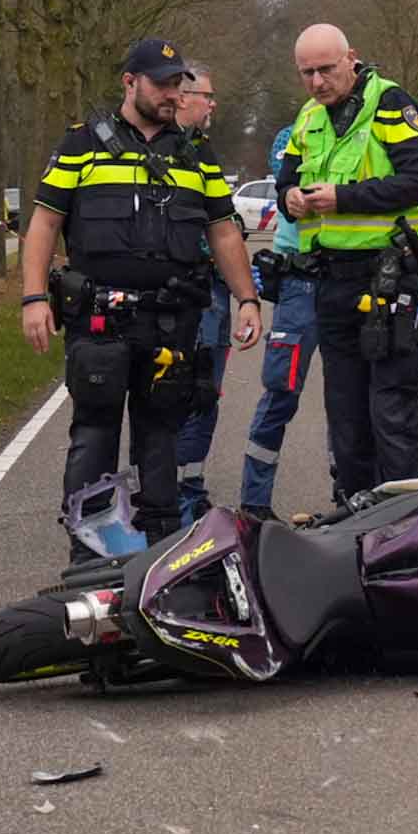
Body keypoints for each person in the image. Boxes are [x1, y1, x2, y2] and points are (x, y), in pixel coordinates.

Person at [21, 37, 263, 561]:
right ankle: (90, 554)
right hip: (99, 322)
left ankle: (159, 552)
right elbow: (44, 222)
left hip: (171, 323)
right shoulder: (81, 144)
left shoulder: (196, 154)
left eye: (179, 84)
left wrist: (247, 298)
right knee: (94, 436)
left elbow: (224, 232)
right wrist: (34, 297)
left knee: (160, 439)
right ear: (130, 82)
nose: (174, 94)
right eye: (162, 84)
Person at [274, 24, 418, 498]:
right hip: (333, 281)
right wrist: (290, 198)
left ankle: (402, 520)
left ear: (352, 58)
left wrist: (343, 198)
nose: (317, 82)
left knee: (391, 410)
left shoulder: (390, 103)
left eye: (326, 69)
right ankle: (354, 514)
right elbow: (285, 181)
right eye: (307, 73)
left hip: (390, 277)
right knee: (344, 413)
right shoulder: (308, 117)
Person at [239, 121, 328, 521]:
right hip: (299, 281)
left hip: (350, 280)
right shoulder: (293, 134)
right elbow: (290, 191)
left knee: (348, 396)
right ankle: (255, 505)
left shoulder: (366, 130)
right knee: (281, 391)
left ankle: (351, 498)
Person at [172, 63, 233, 523]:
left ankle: (188, 488)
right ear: (181, 97)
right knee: (191, 393)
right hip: (190, 294)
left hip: (214, 290)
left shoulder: (200, 148)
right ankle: (176, 499)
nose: (212, 104)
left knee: (206, 394)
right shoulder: (166, 151)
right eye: (206, 96)